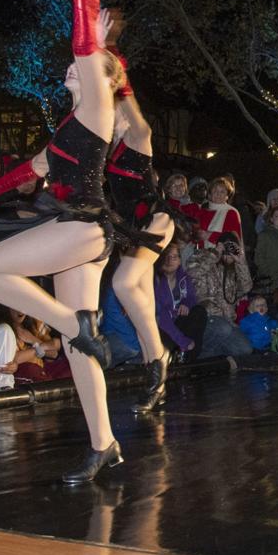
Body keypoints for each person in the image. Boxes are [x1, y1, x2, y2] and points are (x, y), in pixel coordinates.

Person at [0, 0, 129, 483]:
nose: (70, 67)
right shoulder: (71, 125)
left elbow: (84, 48)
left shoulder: (100, 106)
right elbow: (33, 166)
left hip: (83, 226)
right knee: (82, 351)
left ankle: (70, 323)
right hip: (77, 228)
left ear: (101, 74)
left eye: (83, 65)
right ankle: (105, 445)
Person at [103, 32, 176, 414]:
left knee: (122, 283)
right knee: (141, 303)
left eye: (116, 111)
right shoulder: (107, 148)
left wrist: (112, 53)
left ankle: (158, 356)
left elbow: (130, 105)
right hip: (130, 229)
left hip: (156, 219)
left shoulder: (139, 139)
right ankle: (157, 376)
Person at [185, 233, 255, 362]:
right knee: (223, 328)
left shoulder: (232, 269)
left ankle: (209, 358)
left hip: (226, 320)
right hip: (205, 319)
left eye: (233, 248)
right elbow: (192, 272)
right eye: (227, 248)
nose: (230, 253)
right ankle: (194, 355)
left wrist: (241, 263)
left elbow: (246, 287)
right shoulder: (201, 256)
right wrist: (216, 253)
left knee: (245, 349)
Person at [153, 242, 206, 358]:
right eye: (166, 257)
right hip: (161, 327)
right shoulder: (154, 281)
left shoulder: (184, 277)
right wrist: (182, 341)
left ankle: (189, 358)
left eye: (174, 257)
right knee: (169, 341)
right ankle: (180, 351)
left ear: (179, 260)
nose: (170, 260)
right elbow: (161, 316)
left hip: (177, 321)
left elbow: (192, 298)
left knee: (199, 311)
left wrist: (185, 303)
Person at [194, 177, 243, 249]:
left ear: (227, 196)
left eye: (222, 191)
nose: (218, 194)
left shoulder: (231, 212)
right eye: (215, 191)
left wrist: (210, 236)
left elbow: (234, 244)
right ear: (209, 195)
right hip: (202, 256)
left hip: (223, 258)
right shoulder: (203, 212)